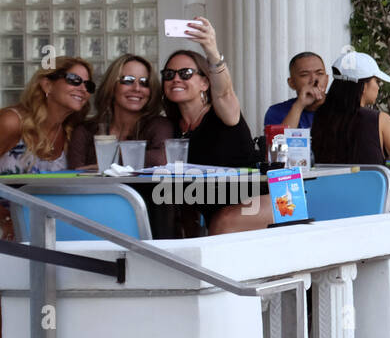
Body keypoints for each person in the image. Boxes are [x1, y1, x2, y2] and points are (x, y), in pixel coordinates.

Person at [160, 17, 260, 234]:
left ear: (205, 83)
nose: (175, 79)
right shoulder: (170, 126)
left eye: (185, 73)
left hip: (267, 199)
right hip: (213, 207)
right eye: (169, 75)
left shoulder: (223, 112)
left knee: (222, 222)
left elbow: (224, 91)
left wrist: (212, 51)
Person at [0, 56, 94, 239]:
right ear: (47, 85)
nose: (83, 89)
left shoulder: (70, 133)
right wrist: (5, 218)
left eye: (88, 86)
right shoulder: (12, 122)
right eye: (74, 80)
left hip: (43, 235)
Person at [67, 54, 171, 170]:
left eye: (144, 82)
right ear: (112, 86)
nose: (137, 88)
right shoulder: (85, 131)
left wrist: (110, 165)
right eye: (128, 80)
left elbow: (162, 159)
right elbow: (74, 178)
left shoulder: (159, 125)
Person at [263, 51, 329, 130]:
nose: (314, 79)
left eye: (320, 73)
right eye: (304, 75)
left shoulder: (343, 107)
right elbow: (280, 142)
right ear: (291, 83)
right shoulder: (276, 112)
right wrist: (299, 105)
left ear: (327, 79)